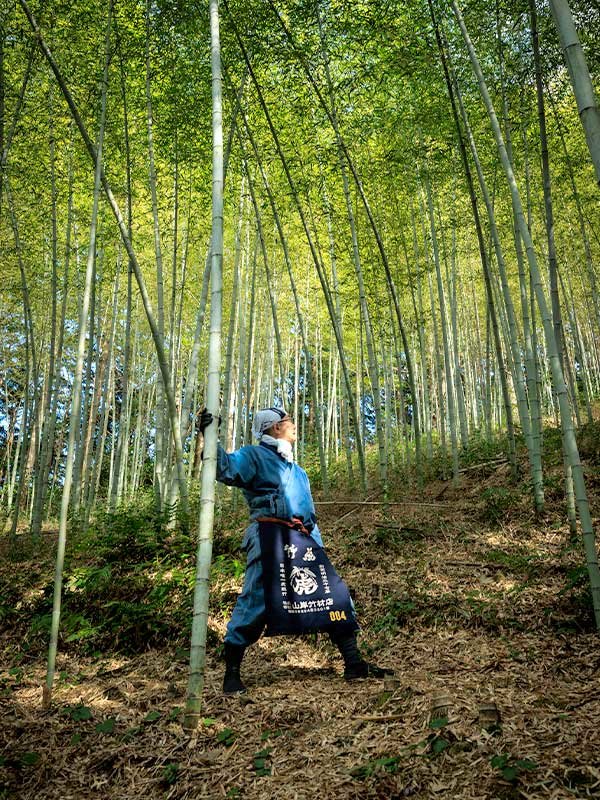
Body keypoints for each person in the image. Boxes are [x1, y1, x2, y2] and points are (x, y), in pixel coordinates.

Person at [199, 406, 391, 694]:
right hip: (270, 536)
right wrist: (208, 434)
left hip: (305, 538)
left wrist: (317, 545)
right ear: (275, 427)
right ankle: (232, 674)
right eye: (289, 421)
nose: (294, 425)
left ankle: (354, 662)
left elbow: (309, 514)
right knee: (257, 599)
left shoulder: (297, 470)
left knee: (333, 595)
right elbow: (223, 466)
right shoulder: (254, 456)